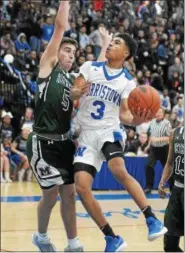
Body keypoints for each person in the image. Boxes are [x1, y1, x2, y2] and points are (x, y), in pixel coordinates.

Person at [70, 32, 167, 252]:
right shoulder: (90, 67)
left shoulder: (126, 81)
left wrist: (137, 120)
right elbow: (73, 94)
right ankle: (112, 237)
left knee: (118, 170)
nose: (110, 45)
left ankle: (151, 219)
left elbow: (124, 115)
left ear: (126, 53)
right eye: (110, 42)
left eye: (116, 44)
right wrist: (75, 92)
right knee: (82, 187)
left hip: (109, 131)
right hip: (86, 135)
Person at [26, 1, 83, 252]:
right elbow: (60, 27)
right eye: (67, 51)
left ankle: (73, 244)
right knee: (50, 195)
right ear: (56, 51)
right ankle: (40, 236)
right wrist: (65, 3)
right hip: (42, 141)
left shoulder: (71, 82)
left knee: (69, 195)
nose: (71, 56)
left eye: (74, 54)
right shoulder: (48, 65)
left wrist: (105, 47)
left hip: (63, 143)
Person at [158, 126, 184, 252]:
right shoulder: (175, 133)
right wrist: (162, 181)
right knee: (169, 245)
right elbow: (170, 162)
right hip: (177, 191)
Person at [144, 108, 172, 194]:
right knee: (148, 166)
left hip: (164, 149)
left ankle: (172, 187)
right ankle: (149, 187)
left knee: (168, 168)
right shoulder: (152, 122)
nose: (158, 113)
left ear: (163, 114)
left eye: (160, 112)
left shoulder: (167, 123)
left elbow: (169, 137)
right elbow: (151, 136)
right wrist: (148, 146)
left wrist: (157, 139)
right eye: (156, 112)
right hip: (154, 149)